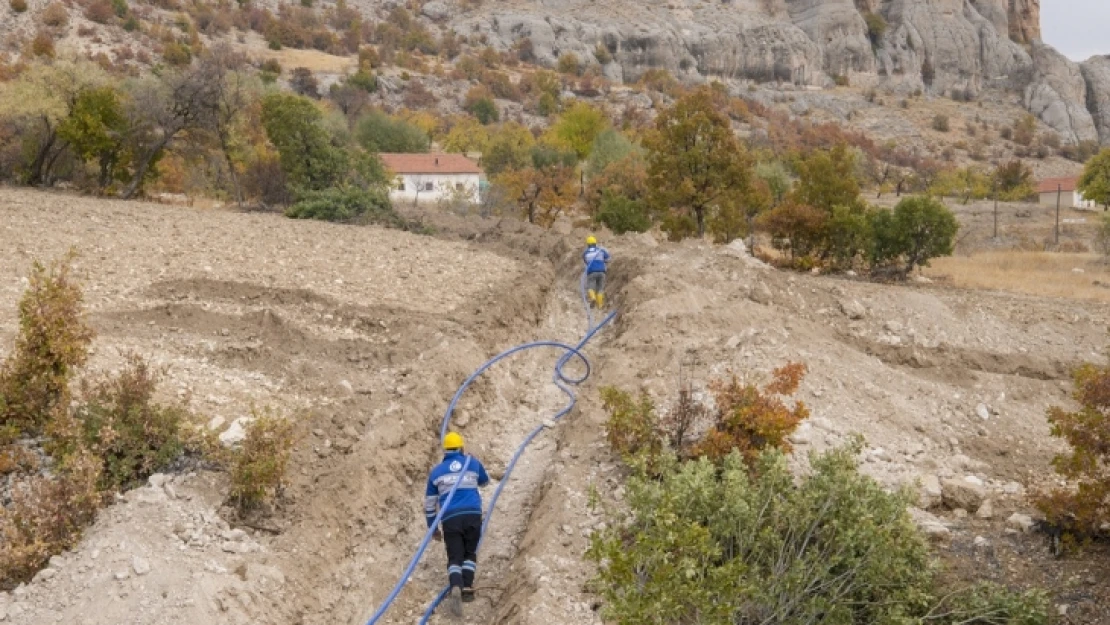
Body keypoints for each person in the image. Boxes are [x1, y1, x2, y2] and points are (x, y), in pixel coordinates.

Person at [424, 431, 490, 616]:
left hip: (450, 518)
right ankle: (467, 587)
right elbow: (485, 482)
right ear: (462, 447)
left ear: (444, 451)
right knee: (470, 552)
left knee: (455, 556)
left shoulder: (436, 472)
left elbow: (429, 503)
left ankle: (455, 585)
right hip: (472, 514)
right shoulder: (472, 463)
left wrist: (432, 527)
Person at [582, 235, 611, 308]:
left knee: (590, 287)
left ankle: (593, 298)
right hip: (602, 272)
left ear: (588, 244)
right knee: (600, 288)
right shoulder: (601, 251)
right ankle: (600, 305)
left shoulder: (585, 253)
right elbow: (608, 259)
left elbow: (586, 261)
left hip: (591, 272)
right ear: (595, 243)